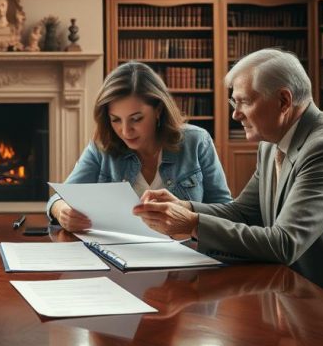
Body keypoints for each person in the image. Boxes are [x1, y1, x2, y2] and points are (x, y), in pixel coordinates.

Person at [133, 48, 323, 333]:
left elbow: (284, 244)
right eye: (234, 102)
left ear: (283, 100)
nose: (235, 114)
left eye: (244, 102)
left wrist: (192, 224)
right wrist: (186, 208)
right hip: (302, 294)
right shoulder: (271, 144)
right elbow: (244, 212)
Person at [48, 61, 232, 231]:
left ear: (158, 110)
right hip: (118, 250)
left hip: (186, 247)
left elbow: (225, 209)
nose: (125, 131)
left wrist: (187, 214)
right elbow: (59, 198)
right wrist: (61, 211)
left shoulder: (197, 141)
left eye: (136, 119)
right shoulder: (102, 146)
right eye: (116, 120)